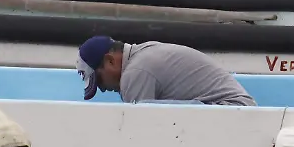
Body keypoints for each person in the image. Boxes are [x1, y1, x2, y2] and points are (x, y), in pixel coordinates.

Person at [76, 35, 256, 106]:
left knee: (147, 112)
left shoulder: (136, 73)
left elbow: (138, 134)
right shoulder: (144, 53)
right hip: (236, 109)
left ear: (110, 60)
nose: (103, 89)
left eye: (99, 81)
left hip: (233, 111)